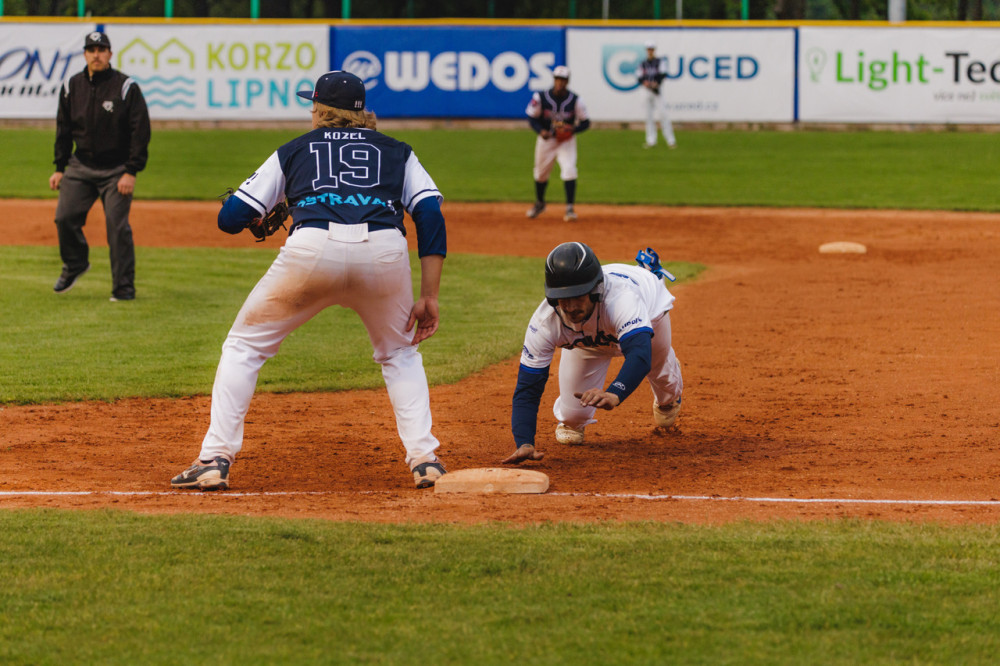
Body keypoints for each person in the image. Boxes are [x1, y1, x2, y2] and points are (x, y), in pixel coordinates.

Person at [170, 71, 448, 491]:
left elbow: (229, 220)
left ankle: (214, 458)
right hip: (384, 252)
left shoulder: (295, 150)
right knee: (399, 354)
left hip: (312, 249)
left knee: (244, 346)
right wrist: (429, 295)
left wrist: (260, 206)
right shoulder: (398, 151)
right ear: (362, 113)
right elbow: (428, 214)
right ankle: (425, 460)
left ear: (320, 110)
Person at [503, 242, 683, 464]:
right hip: (587, 344)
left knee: (659, 375)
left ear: (595, 290)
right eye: (562, 298)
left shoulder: (622, 299)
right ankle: (571, 418)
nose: (570, 306)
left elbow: (639, 355)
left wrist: (615, 393)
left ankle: (668, 393)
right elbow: (528, 387)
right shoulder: (545, 322)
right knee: (572, 418)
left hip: (648, 318)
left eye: (577, 296)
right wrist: (524, 442)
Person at [49, 31, 150, 301]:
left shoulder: (126, 87)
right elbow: (63, 129)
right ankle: (75, 263)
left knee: (117, 227)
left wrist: (131, 170)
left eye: (101, 49)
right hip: (80, 166)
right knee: (65, 217)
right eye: (91, 49)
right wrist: (60, 166)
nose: (96, 54)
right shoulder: (72, 86)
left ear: (110, 54)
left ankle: (124, 289)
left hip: (117, 170)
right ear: (84, 54)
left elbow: (140, 131)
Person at [524, 66, 591, 223]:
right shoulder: (541, 97)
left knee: (569, 171)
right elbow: (532, 117)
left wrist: (572, 129)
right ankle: (540, 203)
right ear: (554, 80)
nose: (559, 83)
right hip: (546, 141)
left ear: (567, 81)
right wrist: (541, 131)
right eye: (557, 79)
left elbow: (586, 122)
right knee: (541, 173)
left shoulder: (575, 100)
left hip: (565, 141)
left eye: (563, 80)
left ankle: (569, 208)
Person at [637, 41, 677, 149]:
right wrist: (645, 82)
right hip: (646, 92)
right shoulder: (643, 63)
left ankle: (670, 140)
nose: (650, 51)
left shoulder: (659, 62)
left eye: (652, 49)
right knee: (648, 117)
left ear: (654, 50)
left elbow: (663, 74)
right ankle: (651, 140)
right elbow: (639, 77)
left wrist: (656, 83)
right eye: (648, 49)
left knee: (663, 115)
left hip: (657, 91)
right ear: (646, 51)